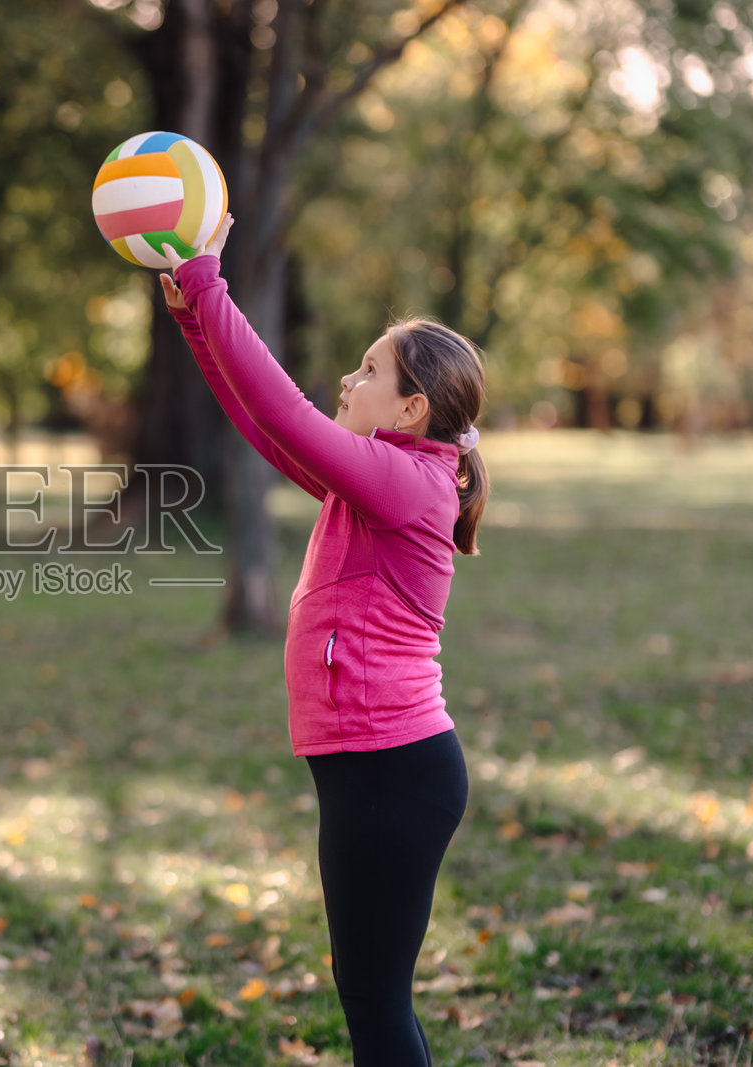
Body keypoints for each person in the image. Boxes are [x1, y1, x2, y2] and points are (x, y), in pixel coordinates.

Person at [161, 217, 487, 1066]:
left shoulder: (408, 483)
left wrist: (209, 282)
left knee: (375, 1002)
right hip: (374, 771)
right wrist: (195, 319)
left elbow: (288, 411)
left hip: (393, 771)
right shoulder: (380, 477)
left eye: (370, 369)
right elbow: (268, 428)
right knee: (369, 993)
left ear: (413, 409)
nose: (350, 376)